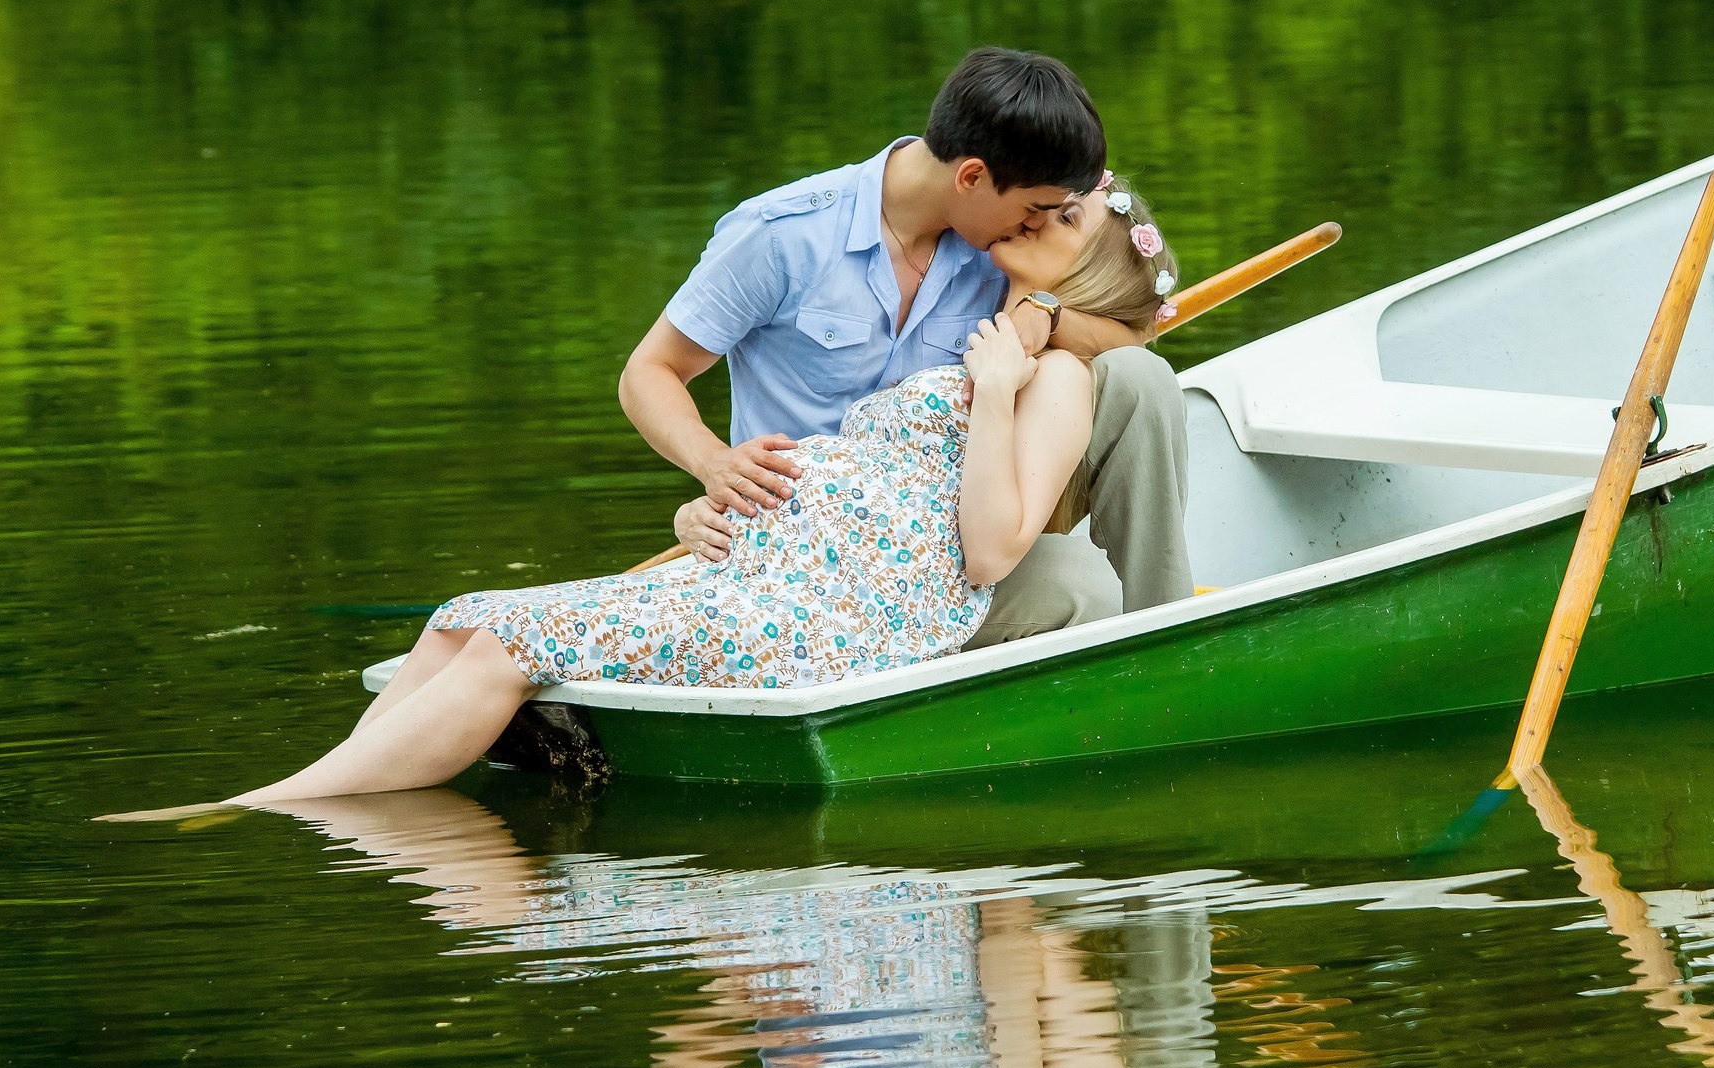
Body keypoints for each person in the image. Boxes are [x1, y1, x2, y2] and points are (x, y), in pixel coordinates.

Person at [213, 183, 1182, 804]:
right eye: (1045, 202)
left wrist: (1003, 391)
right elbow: (683, 391)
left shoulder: (1039, 371)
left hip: (842, 608)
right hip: (778, 555)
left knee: (509, 644)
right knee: (467, 619)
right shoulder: (934, 272)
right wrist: (707, 489)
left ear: (1089, 264)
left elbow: (989, 543)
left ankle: (290, 807)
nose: (1044, 211)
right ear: (978, 182)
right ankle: (312, 793)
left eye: (1067, 219)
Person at [618, 46, 1190, 645]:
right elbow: (650, 371)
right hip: (811, 559)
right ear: (972, 177)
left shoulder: (998, 247)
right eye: (1033, 209)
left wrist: (1048, 312)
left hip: (962, 552)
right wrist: (713, 466)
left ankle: (1176, 644)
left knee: (1138, 378)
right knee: (1080, 583)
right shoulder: (782, 238)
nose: (1037, 225)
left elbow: (1132, 332)